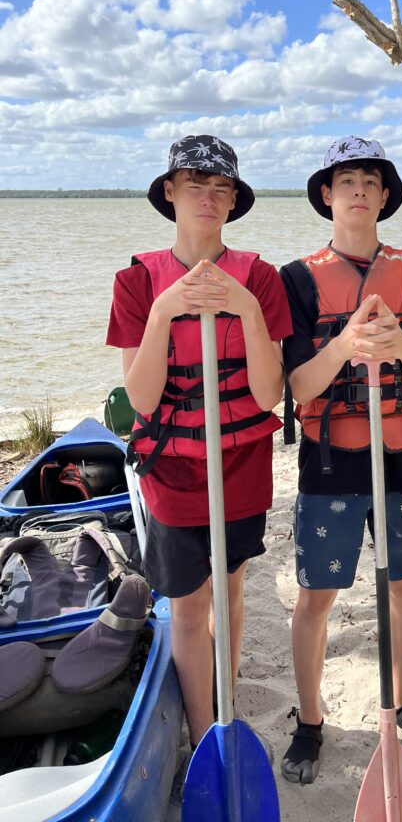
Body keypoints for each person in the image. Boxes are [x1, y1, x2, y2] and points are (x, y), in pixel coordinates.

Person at [106, 135, 291, 791]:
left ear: (234, 200)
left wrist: (244, 307)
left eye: (221, 188)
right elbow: (142, 398)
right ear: (171, 194)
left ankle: (227, 706)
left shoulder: (261, 279)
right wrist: (165, 310)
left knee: (232, 591)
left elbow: (268, 394)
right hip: (175, 470)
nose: (208, 198)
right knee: (188, 607)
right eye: (195, 185)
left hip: (241, 464)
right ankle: (203, 725)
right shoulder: (136, 282)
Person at [278, 137, 402, 785]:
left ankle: (400, 699)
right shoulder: (296, 280)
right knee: (316, 595)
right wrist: (346, 343)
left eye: (370, 181)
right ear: (327, 194)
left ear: (384, 197)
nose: (358, 189)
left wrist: (399, 342)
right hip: (330, 461)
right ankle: (310, 719)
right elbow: (298, 386)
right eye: (346, 179)